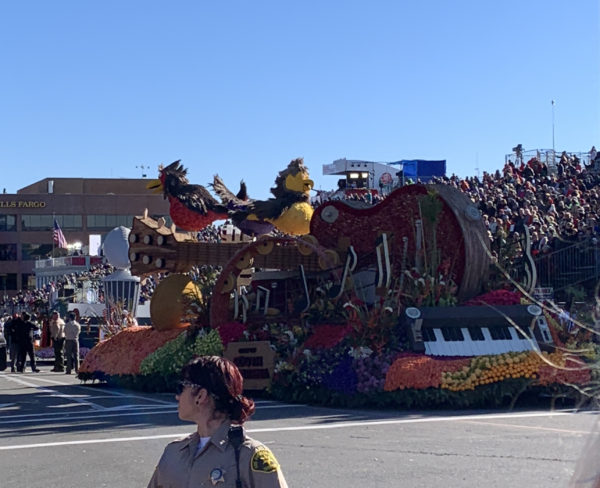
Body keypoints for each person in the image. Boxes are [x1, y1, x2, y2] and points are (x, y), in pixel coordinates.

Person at [148, 356, 288, 488]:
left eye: (181, 388)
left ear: (201, 396)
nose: (177, 396)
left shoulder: (249, 456)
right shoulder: (173, 451)